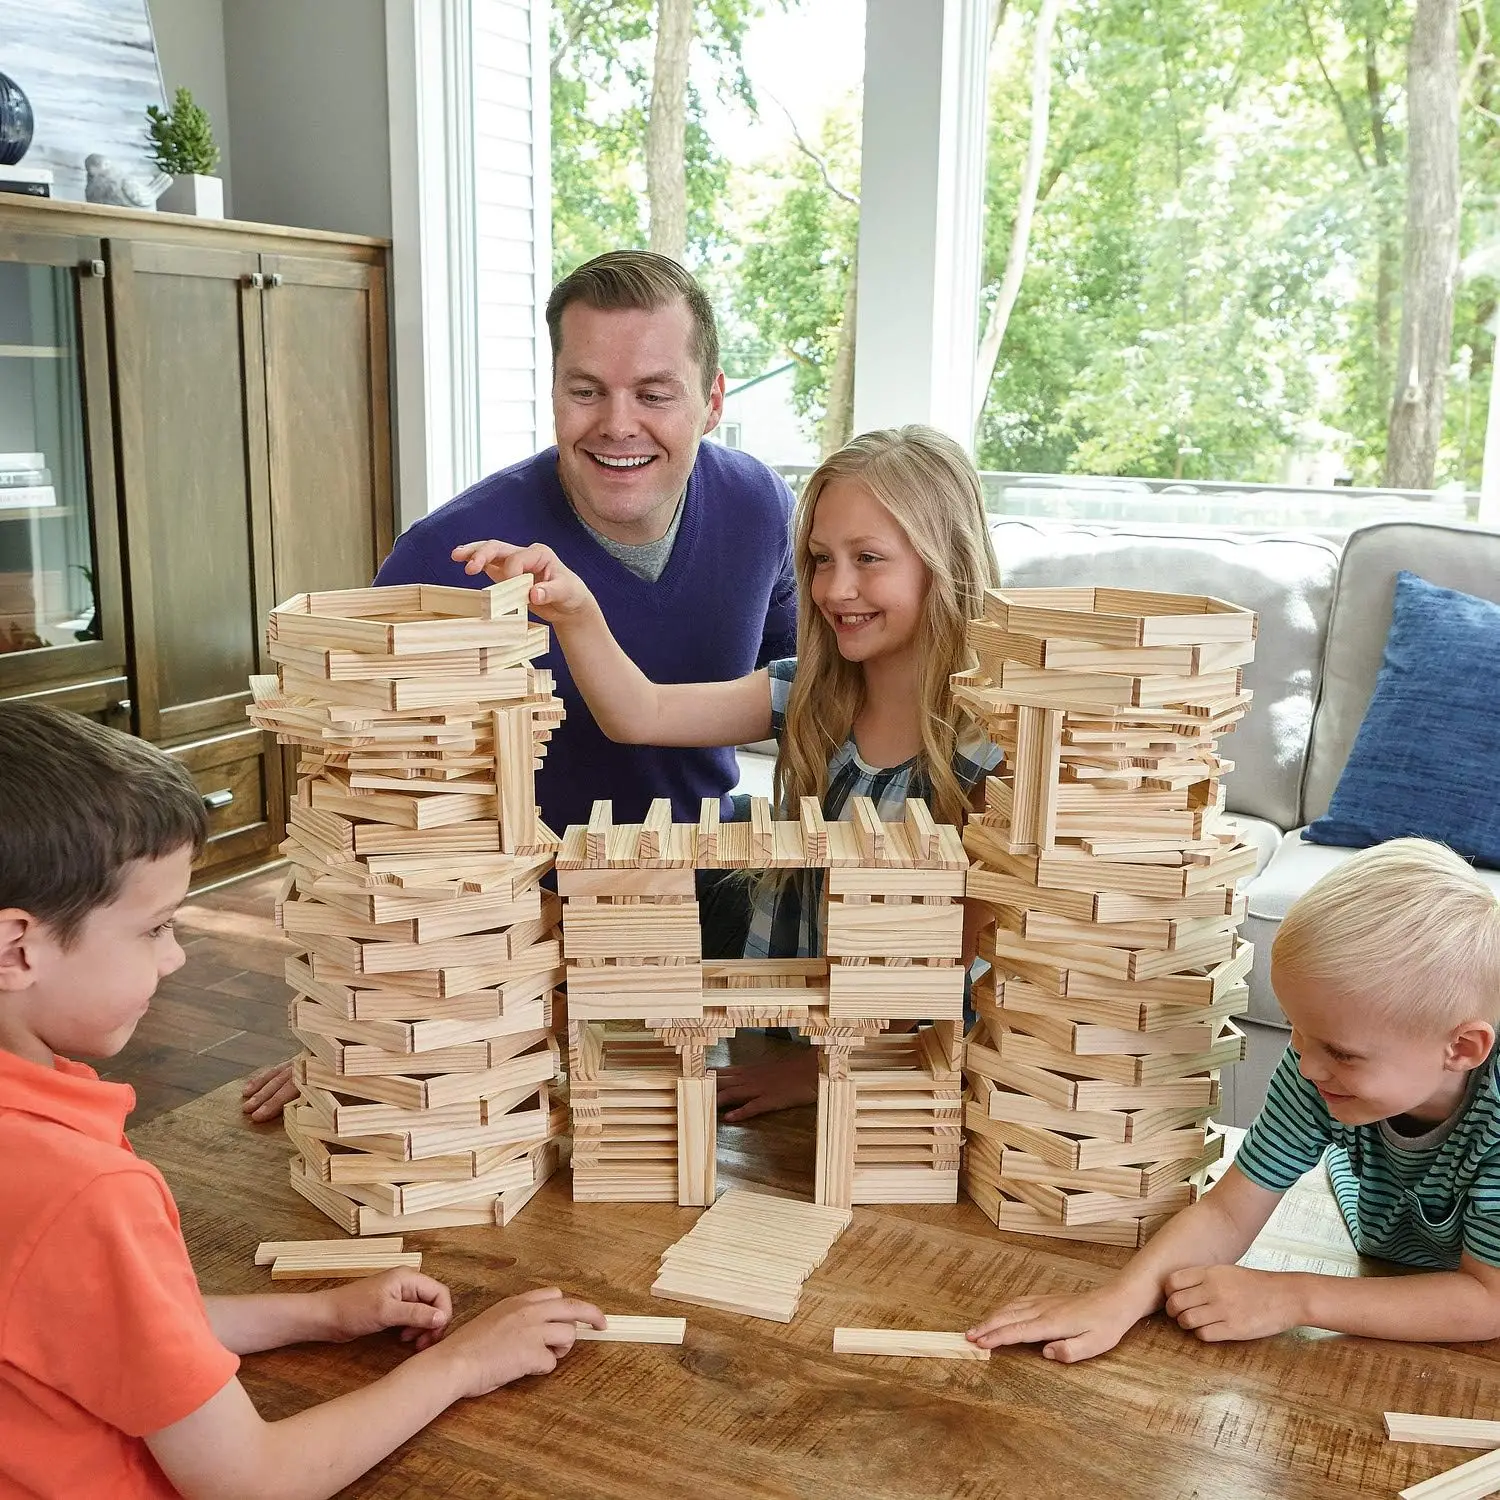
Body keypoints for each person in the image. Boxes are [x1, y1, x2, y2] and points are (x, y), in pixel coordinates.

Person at [242, 248, 796, 1124]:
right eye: (586, 390)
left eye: (655, 393)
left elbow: (810, 705)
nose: (618, 424)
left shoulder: (763, 507)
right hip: (513, 925)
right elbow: (359, 799)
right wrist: (355, 1008)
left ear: (713, 399)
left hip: (697, 890)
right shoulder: (446, 555)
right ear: (553, 392)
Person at [0, 702, 604, 1499]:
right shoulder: (84, 1193)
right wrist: (466, 1363)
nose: (177, 957)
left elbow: (100, 1327)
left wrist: (320, 1316)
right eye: (154, 930)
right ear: (18, 948)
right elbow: (254, 1481)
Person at [453, 424, 1004, 1121]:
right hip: (784, 1025)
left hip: (897, 1064)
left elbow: (944, 964)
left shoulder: (987, 749)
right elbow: (640, 713)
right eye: (820, 558)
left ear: (944, 562)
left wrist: (815, 1070)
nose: (836, 588)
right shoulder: (809, 693)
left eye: (869, 558)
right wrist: (574, 608)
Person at [968, 838, 1500, 1363]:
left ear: (1462, 1048)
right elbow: (1227, 1213)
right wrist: (1118, 1300)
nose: (1307, 1065)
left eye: (1340, 1051)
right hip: (1404, 1257)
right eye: (1295, 1029)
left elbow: (1488, 1302)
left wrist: (1293, 1296)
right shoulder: (1321, 1069)